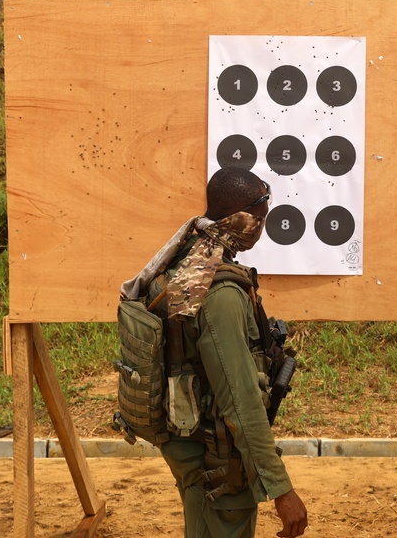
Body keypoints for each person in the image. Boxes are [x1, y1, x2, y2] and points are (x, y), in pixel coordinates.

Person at [120, 167, 308, 538]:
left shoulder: (189, 260)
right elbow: (240, 400)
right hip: (215, 460)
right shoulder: (219, 292)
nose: (261, 227)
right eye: (260, 219)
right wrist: (280, 488)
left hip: (196, 448)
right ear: (243, 219)